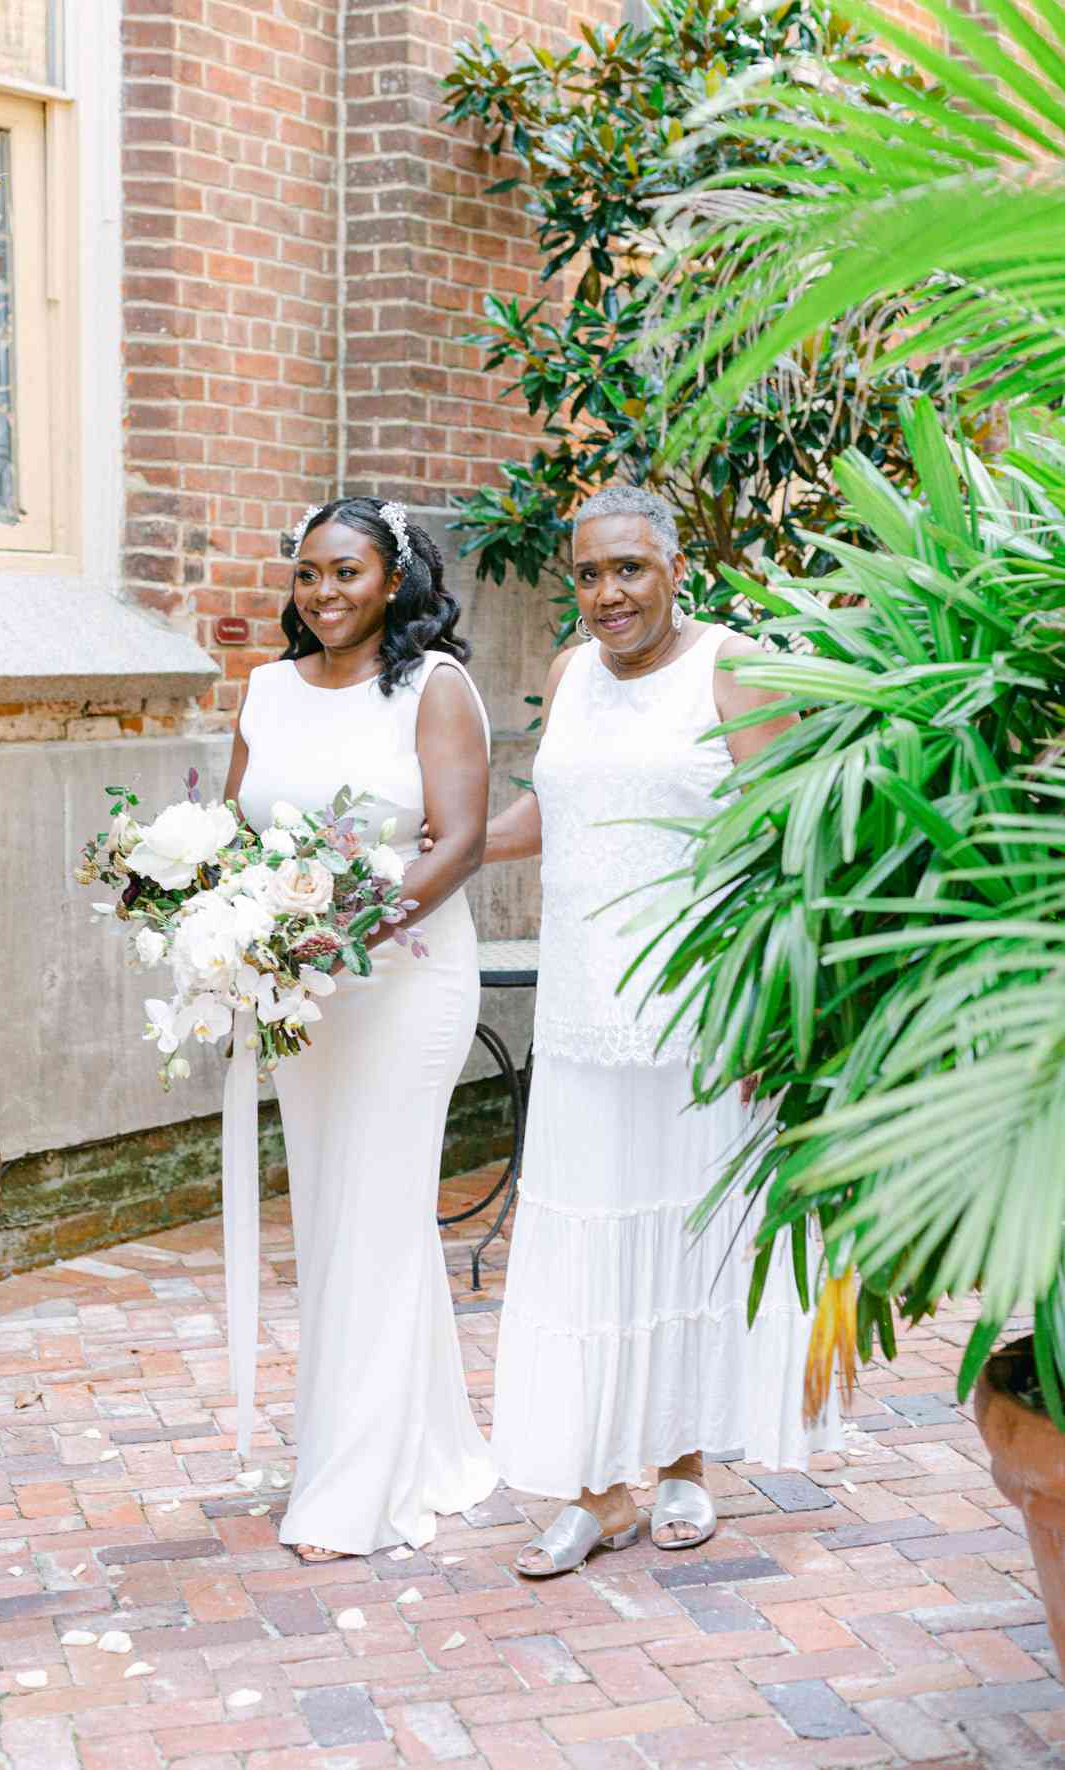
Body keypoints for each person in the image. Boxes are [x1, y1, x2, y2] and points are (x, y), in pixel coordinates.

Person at [483, 483, 837, 1575]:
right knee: (587, 1249)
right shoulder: (568, 675)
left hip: (701, 1021)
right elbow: (560, 806)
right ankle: (596, 1490)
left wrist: (765, 1012)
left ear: (673, 566)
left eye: (627, 568)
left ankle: (682, 1467)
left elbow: (792, 846)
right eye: (587, 574)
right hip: (586, 1013)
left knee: (687, 1241)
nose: (606, 594)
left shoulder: (727, 668)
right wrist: (433, 853)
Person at [224, 495, 499, 1561]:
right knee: (336, 1215)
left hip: (405, 983)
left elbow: (459, 843)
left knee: (379, 1214)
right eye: (308, 575)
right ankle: (424, 1444)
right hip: (301, 1001)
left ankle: (355, 1486)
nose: (325, 593)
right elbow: (233, 835)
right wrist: (225, 938)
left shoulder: (432, 689)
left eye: (346, 572)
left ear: (393, 579)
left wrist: (335, 938)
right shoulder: (263, 690)